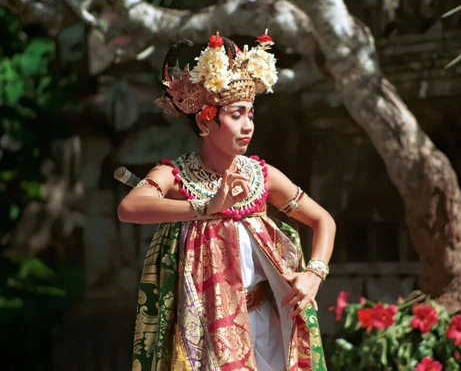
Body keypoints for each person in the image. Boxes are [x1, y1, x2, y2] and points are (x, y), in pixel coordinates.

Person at [117, 32, 335, 371]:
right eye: (237, 115)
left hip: (267, 326)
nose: (248, 126)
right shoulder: (176, 175)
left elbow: (324, 221)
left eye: (251, 114)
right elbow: (129, 208)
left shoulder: (263, 176)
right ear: (206, 120)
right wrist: (205, 207)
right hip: (203, 333)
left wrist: (314, 275)